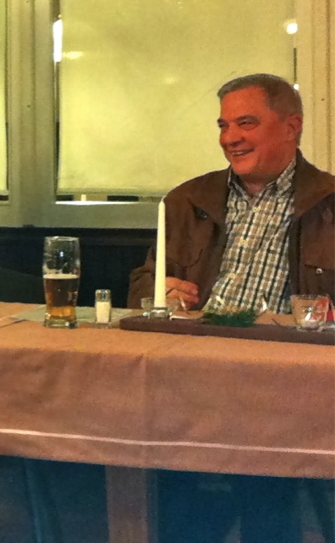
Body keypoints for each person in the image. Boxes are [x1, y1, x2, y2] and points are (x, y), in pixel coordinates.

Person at [128, 73, 335, 543]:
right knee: (152, 443)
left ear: (291, 126)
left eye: (246, 123)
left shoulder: (329, 203)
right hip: (191, 371)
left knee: (262, 462)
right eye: (223, 125)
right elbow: (143, 282)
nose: (229, 138)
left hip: (286, 378)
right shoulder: (187, 199)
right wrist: (160, 291)